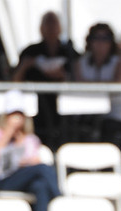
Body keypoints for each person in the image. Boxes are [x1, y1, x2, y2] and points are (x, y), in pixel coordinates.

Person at [0, 90, 60, 211]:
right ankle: (60, 200)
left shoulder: (30, 139)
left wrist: (20, 141)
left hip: (25, 179)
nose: (16, 118)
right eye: (12, 114)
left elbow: (34, 160)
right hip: (3, 180)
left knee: (40, 185)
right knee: (42, 169)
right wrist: (9, 132)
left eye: (19, 114)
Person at [12, 12, 77, 151]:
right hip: (36, 108)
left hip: (65, 108)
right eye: (47, 24)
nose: (51, 28)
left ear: (60, 28)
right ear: (41, 28)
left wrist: (62, 76)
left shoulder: (69, 51)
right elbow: (15, 81)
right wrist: (26, 66)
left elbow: (78, 79)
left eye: (54, 24)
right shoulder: (30, 51)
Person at [72, 23, 121, 150]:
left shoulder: (119, 62)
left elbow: (118, 86)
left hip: (113, 115)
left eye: (105, 39)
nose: (100, 43)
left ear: (111, 42)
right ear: (89, 41)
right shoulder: (80, 62)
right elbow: (78, 85)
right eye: (96, 38)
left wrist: (91, 86)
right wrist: (105, 85)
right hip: (87, 114)